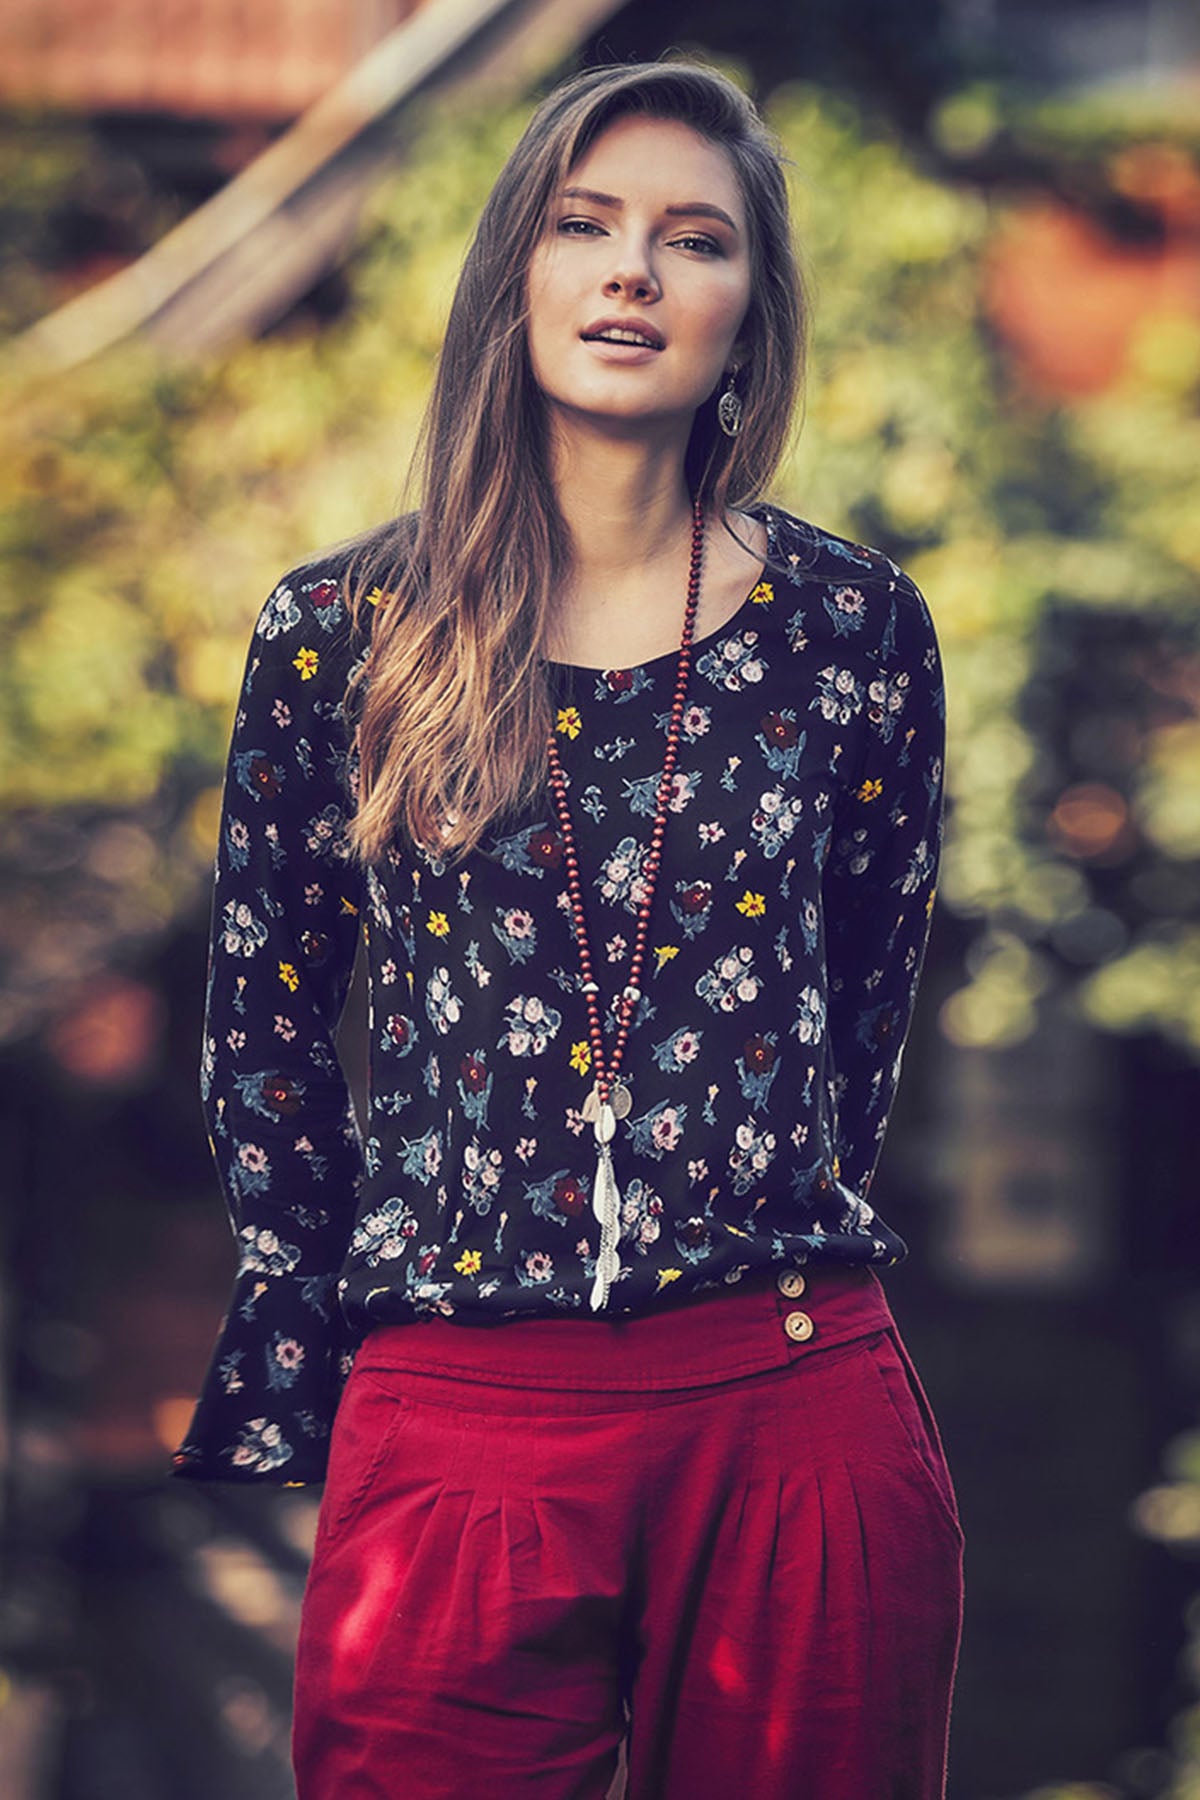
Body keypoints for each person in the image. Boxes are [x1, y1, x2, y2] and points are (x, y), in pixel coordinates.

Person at [172, 57, 963, 1800]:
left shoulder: (856, 631)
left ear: (748, 316)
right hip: (456, 1405)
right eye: (585, 225)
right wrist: (326, 1323)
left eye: (696, 241)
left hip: (789, 1394)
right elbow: (267, 1029)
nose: (632, 272)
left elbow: (864, 1010)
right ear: (511, 275)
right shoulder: (343, 629)